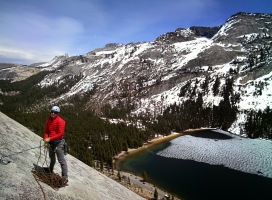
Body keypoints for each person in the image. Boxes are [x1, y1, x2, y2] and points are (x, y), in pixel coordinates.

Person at [43, 105, 68, 183]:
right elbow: (46, 131)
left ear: (58, 113)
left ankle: (65, 177)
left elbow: (60, 134)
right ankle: (50, 169)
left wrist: (49, 139)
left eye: (55, 112)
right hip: (51, 142)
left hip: (59, 143)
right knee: (52, 157)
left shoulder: (61, 121)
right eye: (52, 112)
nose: (53, 113)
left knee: (61, 160)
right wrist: (46, 140)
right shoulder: (49, 120)